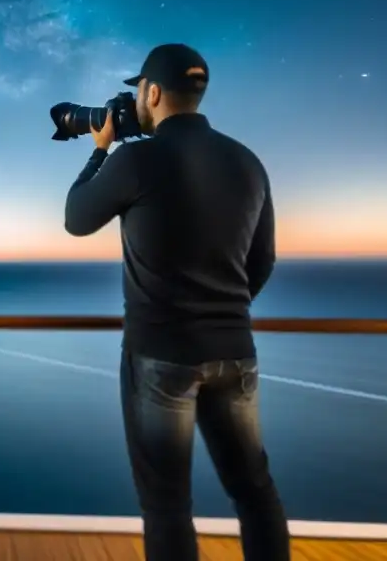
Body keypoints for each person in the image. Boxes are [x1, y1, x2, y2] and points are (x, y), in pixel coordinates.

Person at [63, 43, 290, 561]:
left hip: (161, 355)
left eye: (137, 90)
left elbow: (76, 219)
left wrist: (99, 149)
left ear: (153, 92)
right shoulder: (247, 161)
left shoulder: (136, 158)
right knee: (254, 491)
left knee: (166, 505)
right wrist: (223, 309)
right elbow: (265, 259)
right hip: (235, 351)